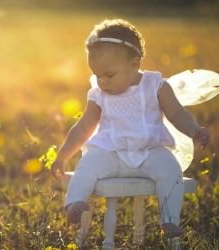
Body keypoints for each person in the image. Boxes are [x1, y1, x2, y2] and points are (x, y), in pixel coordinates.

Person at [51, 19, 210, 239]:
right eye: (97, 75)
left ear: (134, 64)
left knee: (170, 170)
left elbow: (176, 114)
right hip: (111, 153)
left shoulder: (156, 86)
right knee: (87, 165)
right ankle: (75, 203)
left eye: (109, 75)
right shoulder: (98, 94)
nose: (102, 81)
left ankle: (169, 219)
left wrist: (194, 129)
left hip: (150, 152)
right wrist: (62, 156)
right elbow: (83, 127)